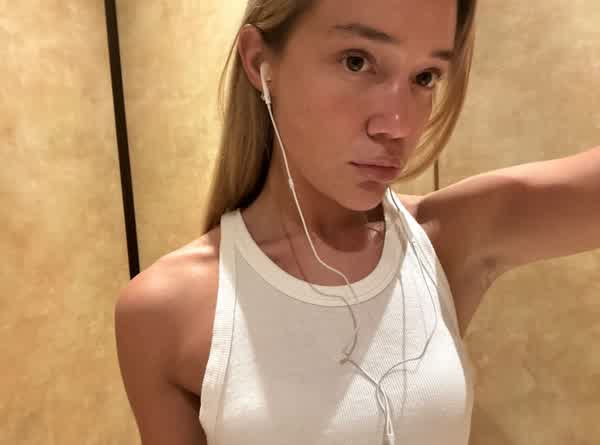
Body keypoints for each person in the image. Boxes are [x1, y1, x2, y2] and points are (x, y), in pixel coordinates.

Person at [115, 0, 487, 444]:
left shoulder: (443, 241)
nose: (398, 126)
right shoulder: (164, 310)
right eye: (356, 61)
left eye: (425, 77)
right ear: (260, 62)